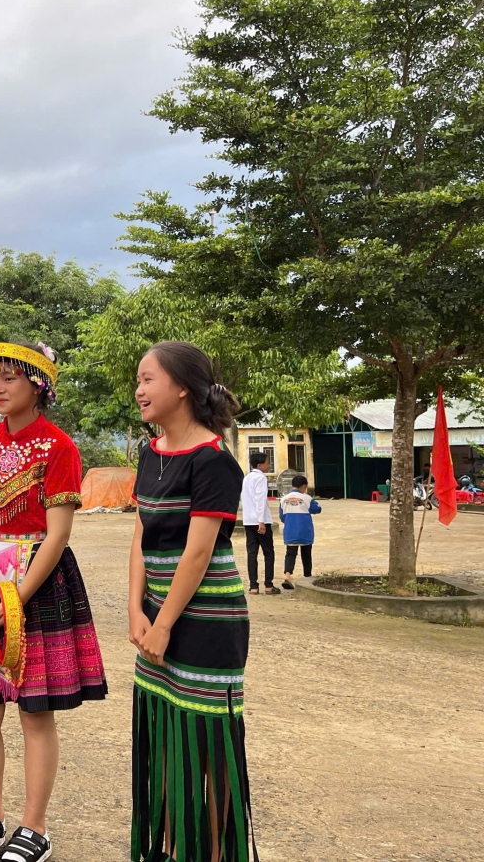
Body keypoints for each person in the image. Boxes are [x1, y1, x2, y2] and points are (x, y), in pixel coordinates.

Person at [0, 342, 107, 862]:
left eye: (10, 377)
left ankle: (34, 826)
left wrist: (16, 596)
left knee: (35, 712)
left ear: (39, 385)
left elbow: (57, 535)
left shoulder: (59, 447)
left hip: (38, 580)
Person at [128, 341, 256, 862]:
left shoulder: (213, 461)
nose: (139, 390)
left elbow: (199, 552)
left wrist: (163, 625)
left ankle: (213, 854)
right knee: (164, 732)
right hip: (156, 611)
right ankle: (169, 848)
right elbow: (139, 535)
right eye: (138, 380)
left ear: (182, 387)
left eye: (148, 379)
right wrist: (137, 610)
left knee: (207, 741)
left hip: (206, 620)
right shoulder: (150, 452)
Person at [240, 452, 278, 595]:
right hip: (260, 520)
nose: (269, 465)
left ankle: (253, 586)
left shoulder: (247, 478)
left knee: (252, 553)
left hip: (248, 520)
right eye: (268, 463)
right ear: (259, 465)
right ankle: (268, 585)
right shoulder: (260, 478)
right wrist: (261, 521)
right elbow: (260, 499)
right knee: (268, 552)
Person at [279, 474, 321, 589]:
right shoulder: (306, 498)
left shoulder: (283, 499)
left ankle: (287, 575)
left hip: (290, 531)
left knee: (290, 553)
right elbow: (317, 509)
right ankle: (307, 577)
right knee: (306, 554)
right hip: (305, 531)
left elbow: (282, 517)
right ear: (303, 486)